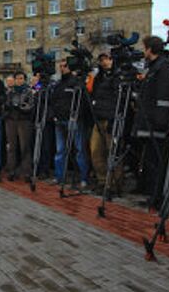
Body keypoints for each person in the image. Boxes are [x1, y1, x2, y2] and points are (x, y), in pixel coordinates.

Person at [132, 36, 169, 209]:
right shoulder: (153, 68)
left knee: (158, 162)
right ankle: (153, 195)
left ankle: (159, 197)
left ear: (150, 49)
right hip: (148, 122)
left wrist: (160, 122)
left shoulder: (163, 68)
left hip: (157, 124)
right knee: (151, 162)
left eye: (145, 48)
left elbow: (164, 97)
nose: (143, 52)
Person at [50, 59, 90, 188]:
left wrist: (77, 116)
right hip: (60, 121)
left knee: (79, 150)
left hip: (74, 120)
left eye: (65, 66)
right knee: (60, 150)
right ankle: (59, 176)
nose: (62, 68)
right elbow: (53, 101)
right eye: (60, 66)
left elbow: (83, 102)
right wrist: (54, 116)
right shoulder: (58, 84)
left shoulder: (76, 83)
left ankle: (83, 178)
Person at [87, 53, 121, 190]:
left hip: (111, 118)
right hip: (98, 118)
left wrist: (115, 116)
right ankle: (102, 180)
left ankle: (114, 183)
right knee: (95, 150)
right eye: (102, 60)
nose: (105, 62)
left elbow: (119, 97)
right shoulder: (99, 78)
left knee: (112, 151)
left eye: (107, 59)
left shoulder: (117, 76)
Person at [3, 71, 34, 181]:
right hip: (11, 120)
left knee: (24, 147)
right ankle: (11, 171)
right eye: (17, 78)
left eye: (21, 78)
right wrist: (8, 107)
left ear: (24, 79)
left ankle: (27, 173)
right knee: (12, 147)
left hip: (24, 120)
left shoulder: (29, 91)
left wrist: (20, 107)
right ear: (14, 80)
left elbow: (30, 106)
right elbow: (5, 105)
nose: (19, 80)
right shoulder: (10, 92)